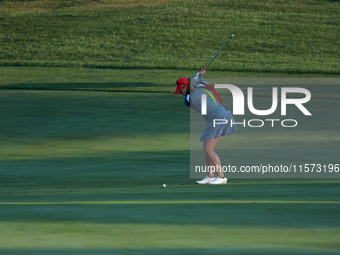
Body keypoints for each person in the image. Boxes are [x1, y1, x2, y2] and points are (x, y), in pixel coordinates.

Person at [174, 69, 237, 184]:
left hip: (221, 119)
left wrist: (196, 76)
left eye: (181, 90)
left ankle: (222, 177)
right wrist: (200, 77)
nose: (180, 93)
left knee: (209, 148)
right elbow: (200, 85)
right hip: (218, 118)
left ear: (185, 87)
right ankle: (210, 175)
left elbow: (193, 86)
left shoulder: (192, 97)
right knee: (206, 146)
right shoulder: (190, 98)